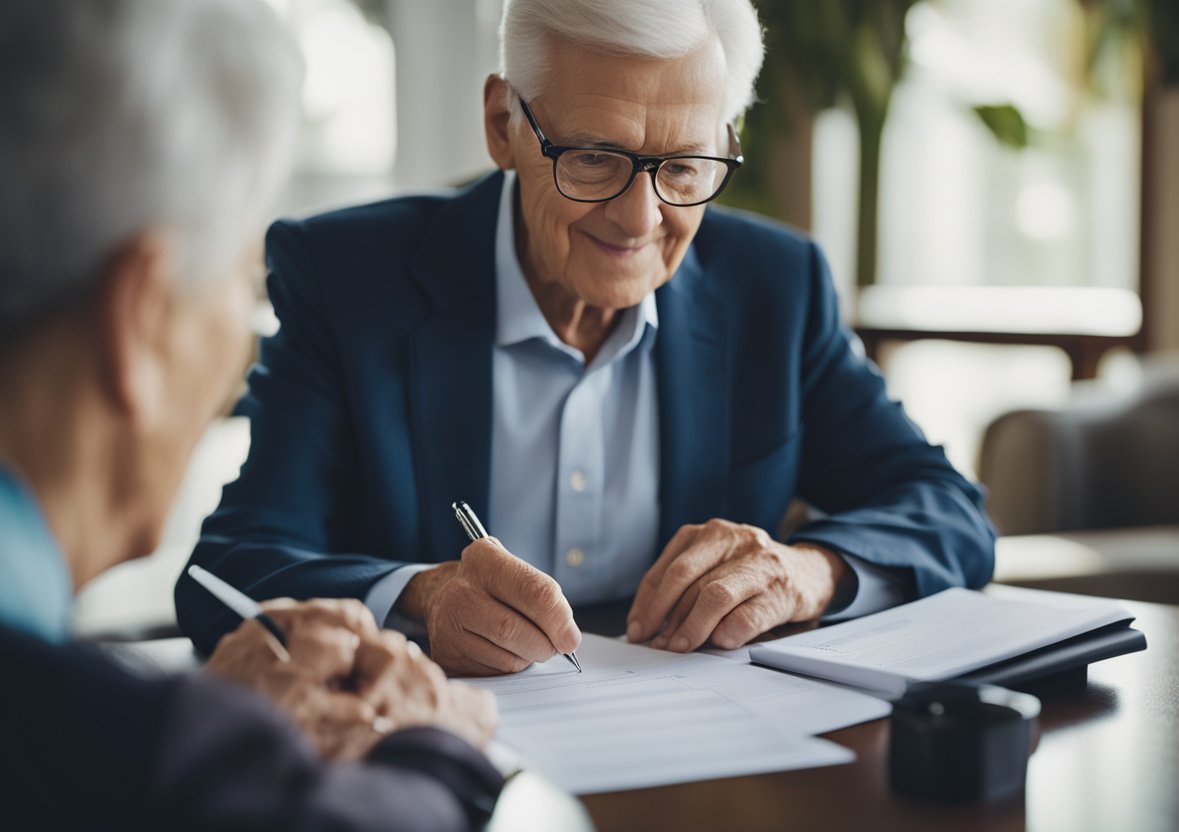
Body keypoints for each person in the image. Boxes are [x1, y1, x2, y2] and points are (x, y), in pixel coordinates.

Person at [177, 0, 997, 677]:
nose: (640, 220)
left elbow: (947, 511)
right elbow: (230, 570)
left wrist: (807, 572)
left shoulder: (774, 288)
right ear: (502, 124)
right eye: (596, 159)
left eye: (684, 167)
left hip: (705, 766)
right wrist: (419, 597)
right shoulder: (349, 279)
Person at [0, 1, 503, 828]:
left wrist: (208, 725)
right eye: (241, 283)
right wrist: (433, 745)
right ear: (144, 321)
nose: (244, 341)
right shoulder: (137, 765)